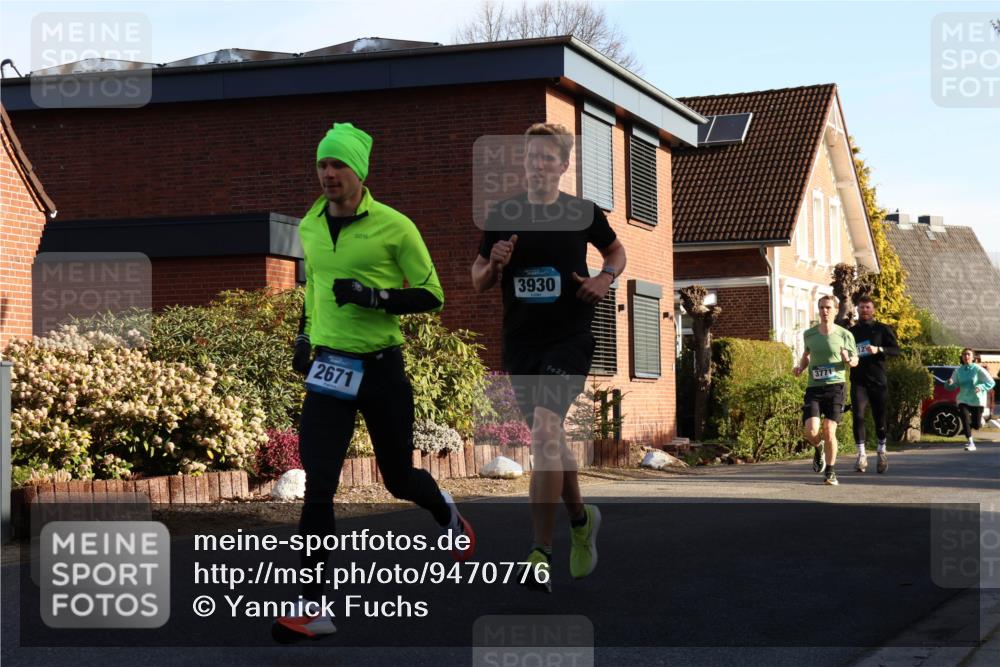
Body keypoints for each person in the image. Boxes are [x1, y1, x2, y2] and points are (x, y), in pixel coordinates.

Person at [274, 122, 474, 642]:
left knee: (396, 478)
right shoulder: (311, 224)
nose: (328, 174)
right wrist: (304, 337)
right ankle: (312, 606)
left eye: (338, 164)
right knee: (319, 483)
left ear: (359, 172)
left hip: (381, 368)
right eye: (322, 164)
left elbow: (432, 294)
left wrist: (374, 297)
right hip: (330, 368)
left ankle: (447, 514)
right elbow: (314, 287)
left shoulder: (395, 226)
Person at [471, 122, 626, 592]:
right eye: (531, 157)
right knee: (551, 437)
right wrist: (495, 263)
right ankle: (581, 519)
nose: (538, 164)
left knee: (543, 429)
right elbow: (478, 277)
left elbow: (616, 251)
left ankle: (540, 551)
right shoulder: (505, 213)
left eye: (547, 158)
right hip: (522, 343)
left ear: (563, 165)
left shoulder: (582, 212)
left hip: (569, 338)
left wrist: (604, 279)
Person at [793, 295, 859, 486]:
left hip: (836, 387)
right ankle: (818, 446)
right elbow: (806, 355)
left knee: (829, 430)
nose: (824, 311)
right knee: (811, 431)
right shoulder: (809, 334)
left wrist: (848, 359)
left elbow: (855, 361)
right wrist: (800, 367)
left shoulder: (845, 335)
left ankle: (830, 472)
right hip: (814, 388)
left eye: (828, 308)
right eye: (821, 307)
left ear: (836, 310)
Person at [848, 295, 900, 473]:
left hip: (878, 380)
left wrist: (879, 349)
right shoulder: (851, 332)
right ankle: (861, 455)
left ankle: (881, 450)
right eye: (861, 307)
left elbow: (896, 350)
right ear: (857, 309)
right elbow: (845, 351)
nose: (864, 310)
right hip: (858, 381)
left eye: (868, 307)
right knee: (858, 416)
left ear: (873, 310)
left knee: (880, 419)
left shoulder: (882, 329)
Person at [946, 347, 995, 451]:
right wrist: (949, 383)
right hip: (963, 399)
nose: (966, 356)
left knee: (976, 425)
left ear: (973, 357)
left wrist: (981, 387)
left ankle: (979, 421)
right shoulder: (958, 371)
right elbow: (952, 386)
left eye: (968, 354)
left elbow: (991, 382)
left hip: (977, 400)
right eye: (964, 354)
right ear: (962, 357)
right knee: (965, 419)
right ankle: (971, 443)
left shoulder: (978, 369)